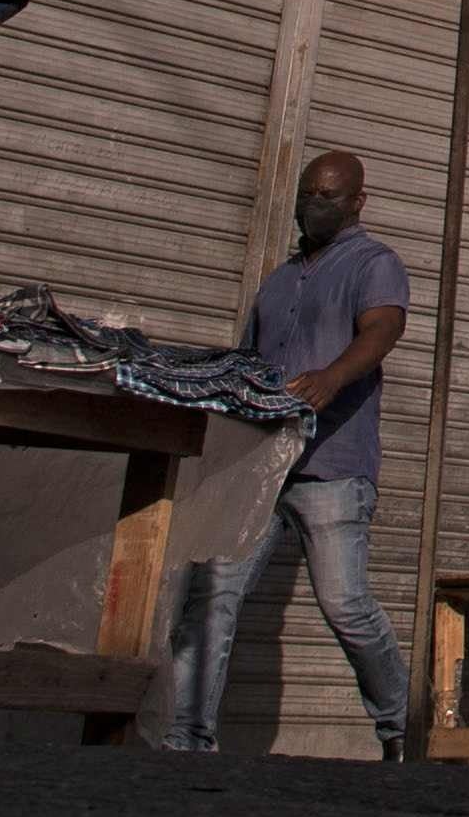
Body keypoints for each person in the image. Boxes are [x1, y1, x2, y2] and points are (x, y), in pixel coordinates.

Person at [162, 148, 416, 755]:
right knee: (214, 593)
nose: (314, 206)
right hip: (258, 465)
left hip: (331, 465)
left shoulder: (374, 263)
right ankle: (187, 737)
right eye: (307, 194)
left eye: (328, 196)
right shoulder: (279, 281)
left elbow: (383, 329)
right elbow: (248, 362)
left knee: (345, 604)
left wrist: (331, 376)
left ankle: (406, 727)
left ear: (357, 201)